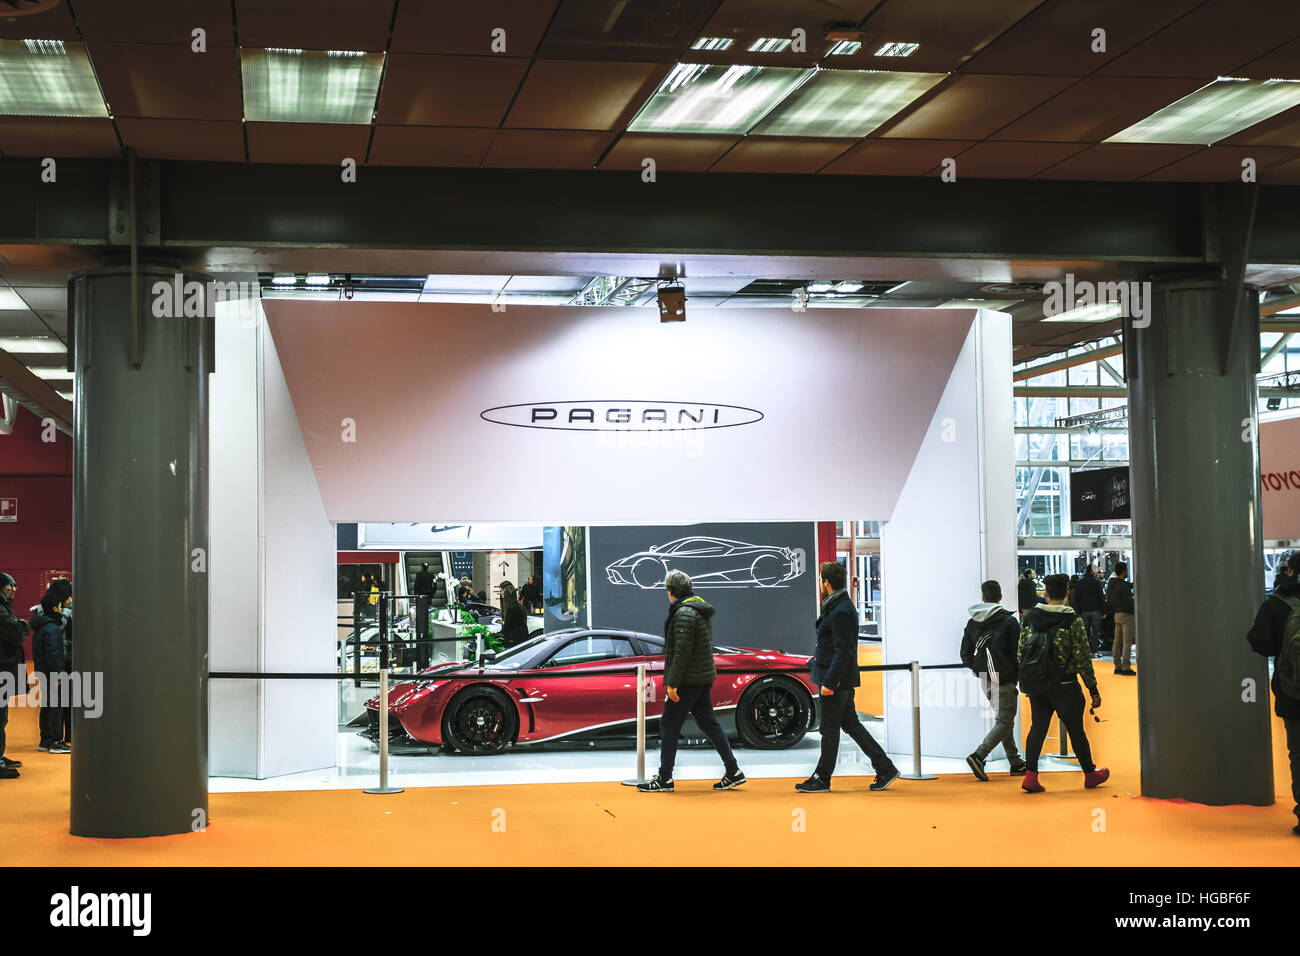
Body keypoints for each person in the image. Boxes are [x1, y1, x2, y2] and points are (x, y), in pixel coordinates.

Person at [796, 561, 900, 793]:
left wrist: (830, 682)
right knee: (852, 725)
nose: (820, 582)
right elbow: (836, 646)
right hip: (836, 677)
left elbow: (844, 651)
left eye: (821, 578)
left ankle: (822, 778)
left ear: (827, 582)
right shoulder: (837, 606)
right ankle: (885, 767)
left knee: (829, 730)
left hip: (836, 682)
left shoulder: (841, 610)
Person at [638, 570, 745, 793]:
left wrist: (673, 683)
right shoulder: (697, 609)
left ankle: (665, 778)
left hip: (688, 680)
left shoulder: (683, 613)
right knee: (709, 723)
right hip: (701, 677)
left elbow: (682, 652)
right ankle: (733, 771)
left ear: (671, 591)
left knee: (669, 724)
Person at [1018, 573, 1108, 793]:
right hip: (1065, 685)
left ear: (1046, 593)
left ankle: (1031, 776)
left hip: (1037, 684)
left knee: (1037, 727)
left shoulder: (1030, 619)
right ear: (1067, 593)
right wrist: (1093, 689)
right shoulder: (1072, 621)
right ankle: (1089, 774)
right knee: (1076, 730)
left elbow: (1021, 651)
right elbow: (1082, 658)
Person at [1246, 549, 1300, 836]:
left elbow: (1258, 641)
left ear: (1288, 571)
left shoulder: (1277, 604)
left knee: (1299, 754)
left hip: (1293, 695)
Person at [960, 579, 1026, 780]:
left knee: (1003, 720)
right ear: (1000, 597)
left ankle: (1015, 762)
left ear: (982, 597)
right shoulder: (1008, 622)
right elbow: (1018, 653)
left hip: (985, 678)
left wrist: (978, 668)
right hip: (1004, 678)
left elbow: (965, 654)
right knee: (1005, 721)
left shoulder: (973, 622)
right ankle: (979, 756)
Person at [31, 586, 71, 754]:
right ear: (56, 608)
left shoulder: (42, 626)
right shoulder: (52, 628)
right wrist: (59, 674)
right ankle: (56, 741)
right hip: (54, 673)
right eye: (61, 606)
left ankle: (45, 739)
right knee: (57, 705)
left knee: (47, 705)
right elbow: (54, 652)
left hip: (43, 671)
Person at [0, 572, 29, 778]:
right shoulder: (1, 610)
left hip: (4, 669)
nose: (13, 588)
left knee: (2, 717)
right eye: (9, 585)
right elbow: (17, 633)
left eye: (14, 585)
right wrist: (23, 624)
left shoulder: (4, 608)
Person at [1106, 562, 1136, 675]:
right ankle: (1126, 667)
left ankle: (1117, 666)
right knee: (1127, 642)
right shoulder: (1123, 586)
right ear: (1124, 571)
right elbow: (1128, 603)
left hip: (1116, 614)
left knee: (1117, 642)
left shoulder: (1112, 584)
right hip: (1127, 615)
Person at [1072, 564, 1106, 658]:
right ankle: (1094, 651)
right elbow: (1101, 597)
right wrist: (1104, 611)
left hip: (1083, 611)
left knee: (1085, 632)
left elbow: (1077, 598)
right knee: (1095, 632)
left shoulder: (1080, 582)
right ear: (1092, 571)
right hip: (1096, 610)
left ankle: (1085, 651)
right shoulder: (1097, 582)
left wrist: (1077, 611)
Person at [412, 562, 435, 669]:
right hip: (429, 595)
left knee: (421, 612)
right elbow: (434, 585)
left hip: (421, 595)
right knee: (428, 609)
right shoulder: (431, 575)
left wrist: (416, 593)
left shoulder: (418, 574)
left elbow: (416, 585)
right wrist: (432, 593)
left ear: (422, 567)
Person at [496, 582, 529, 649]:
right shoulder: (518, 606)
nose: (501, 593)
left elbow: (507, 627)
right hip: (521, 640)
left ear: (507, 592)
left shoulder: (511, 608)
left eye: (501, 590)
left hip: (514, 641)